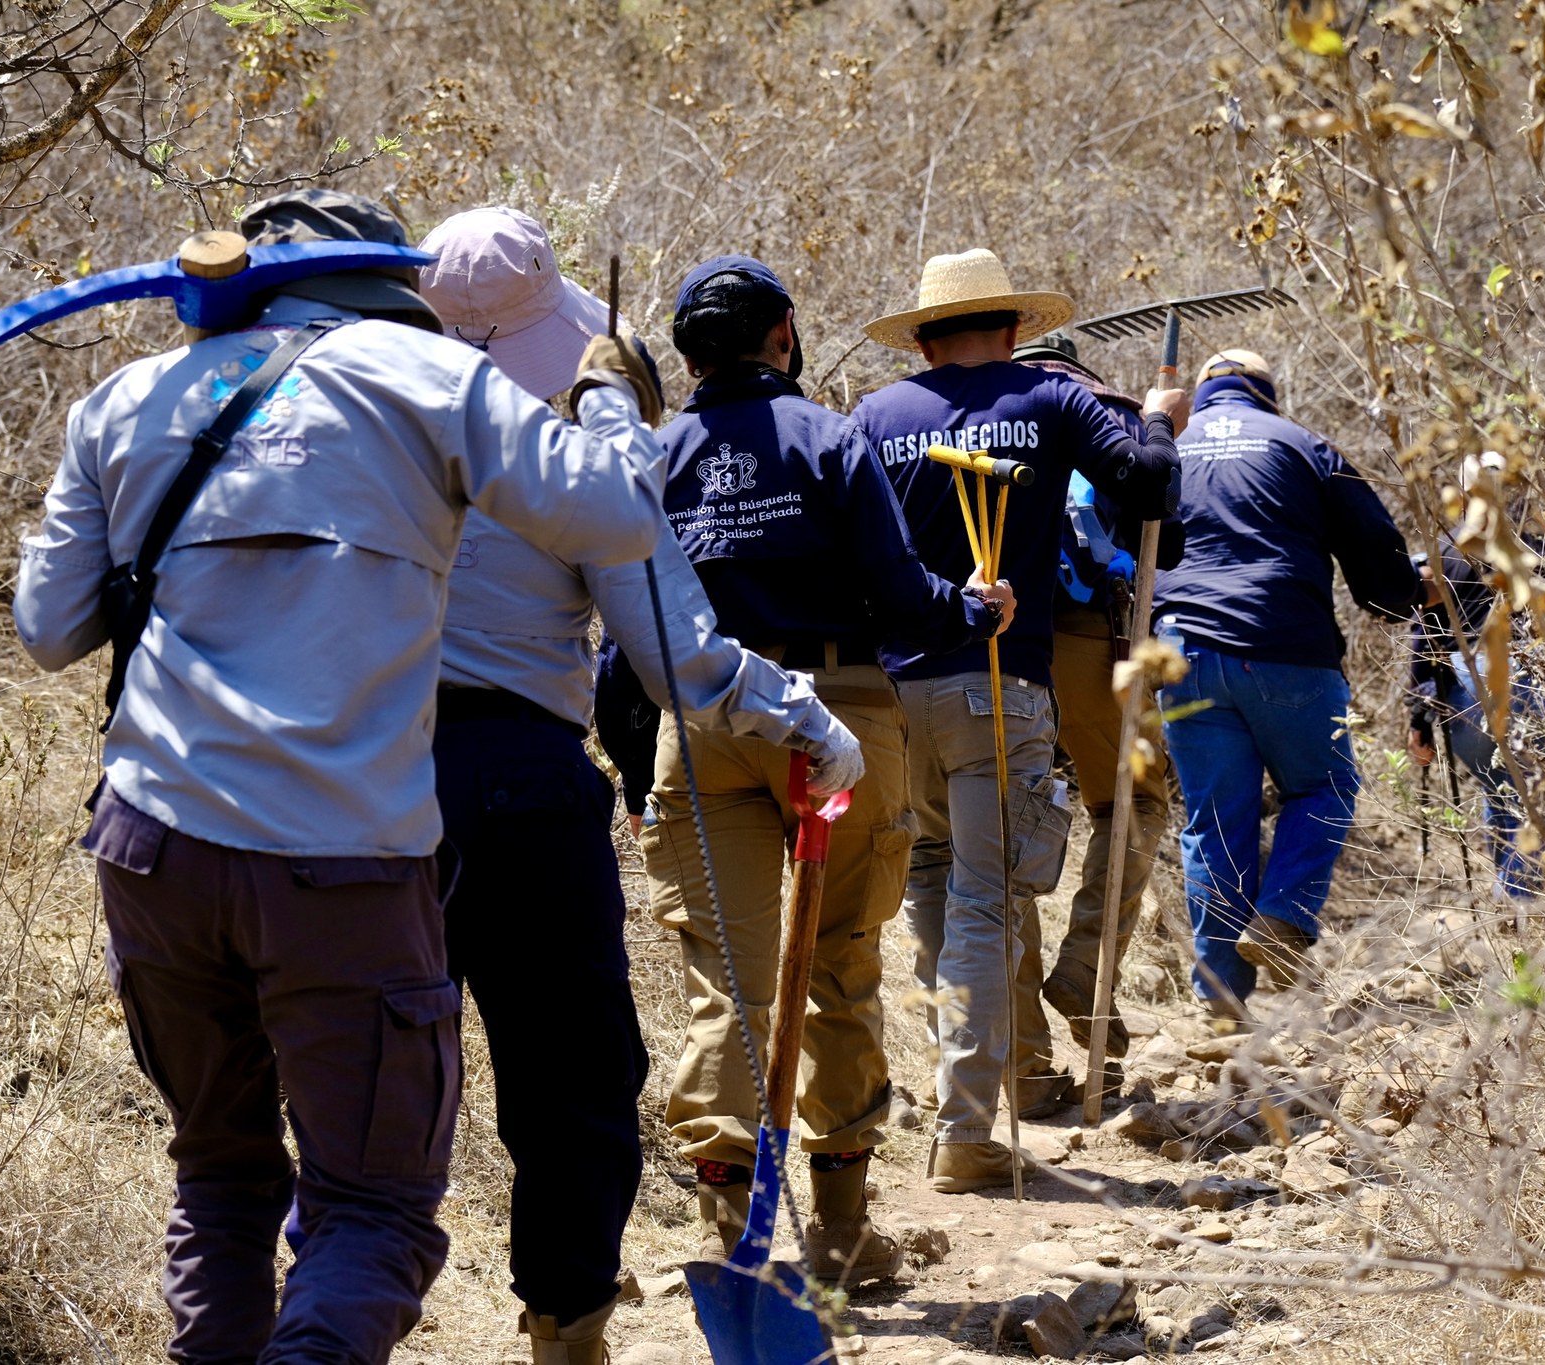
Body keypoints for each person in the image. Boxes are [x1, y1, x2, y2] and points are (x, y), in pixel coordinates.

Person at [11, 188, 668, 1365]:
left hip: (151, 848)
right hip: (337, 864)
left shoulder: (125, 398)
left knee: (218, 1177)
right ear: (390, 283)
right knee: (370, 1209)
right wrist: (612, 401)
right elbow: (615, 514)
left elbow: (49, 628)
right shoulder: (421, 379)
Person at [411, 208, 869, 1363]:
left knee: (371, 1084)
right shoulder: (566, 456)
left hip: (340, 781)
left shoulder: (354, 424)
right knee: (571, 1086)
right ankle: (566, 1335)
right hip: (515, 778)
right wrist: (801, 715)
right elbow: (673, 651)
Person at [641, 254, 1013, 1277]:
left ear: (685, 355)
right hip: (835, 716)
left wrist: (637, 752)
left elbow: (624, 623)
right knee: (840, 960)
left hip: (702, 723)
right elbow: (901, 596)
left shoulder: (655, 454)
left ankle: (728, 1243)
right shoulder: (828, 439)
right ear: (785, 336)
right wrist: (970, 608)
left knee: (726, 984)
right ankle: (841, 1232)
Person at [852, 249, 1183, 1192]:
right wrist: (1158, 424)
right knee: (990, 899)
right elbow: (1149, 489)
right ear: (1013, 329)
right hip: (998, 689)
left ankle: (964, 1084)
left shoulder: (876, 416)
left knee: (931, 879)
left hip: (893, 697)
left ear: (921, 338)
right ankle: (965, 1128)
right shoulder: (1050, 401)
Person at [1153, 348, 1433, 1019]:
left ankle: (1219, 1003)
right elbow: (1378, 558)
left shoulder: (1167, 448)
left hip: (1181, 652)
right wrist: (1404, 595)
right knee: (1325, 785)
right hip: (1285, 647)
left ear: (1203, 396)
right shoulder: (1304, 445)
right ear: (1267, 397)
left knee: (1216, 823)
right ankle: (1281, 918)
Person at [1006, 331, 1173, 1079]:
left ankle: (1024, 1063)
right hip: (1086, 643)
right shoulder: (1111, 414)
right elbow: (1165, 540)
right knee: (1134, 801)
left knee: (999, 850)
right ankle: (1084, 970)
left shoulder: (979, 409)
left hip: (993, 646)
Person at [1407, 451, 1545, 902]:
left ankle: (1511, 904)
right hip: (1529, 678)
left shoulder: (1439, 554)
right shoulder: (1542, 549)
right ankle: (1528, 909)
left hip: (1462, 685)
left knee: (1500, 788)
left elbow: (1424, 639)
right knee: (1531, 795)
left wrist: (1419, 717)